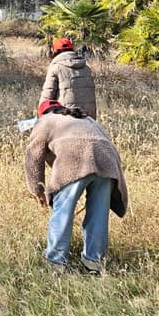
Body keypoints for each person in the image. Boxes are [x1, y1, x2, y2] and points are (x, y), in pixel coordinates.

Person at [25, 99, 128, 273]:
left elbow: (33, 156)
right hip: (107, 163)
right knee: (98, 214)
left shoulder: (44, 121)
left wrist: (37, 190)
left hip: (74, 161)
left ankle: (55, 263)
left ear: (41, 113)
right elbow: (108, 145)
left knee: (62, 213)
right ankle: (94, 263)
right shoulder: (85, 118)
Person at [39, 37, 97, 119]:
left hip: (67, 115)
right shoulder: (86, 67)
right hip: (88, 115)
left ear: (54, 51)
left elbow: (47, 95)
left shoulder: (56, 67)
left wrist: (40, 116)